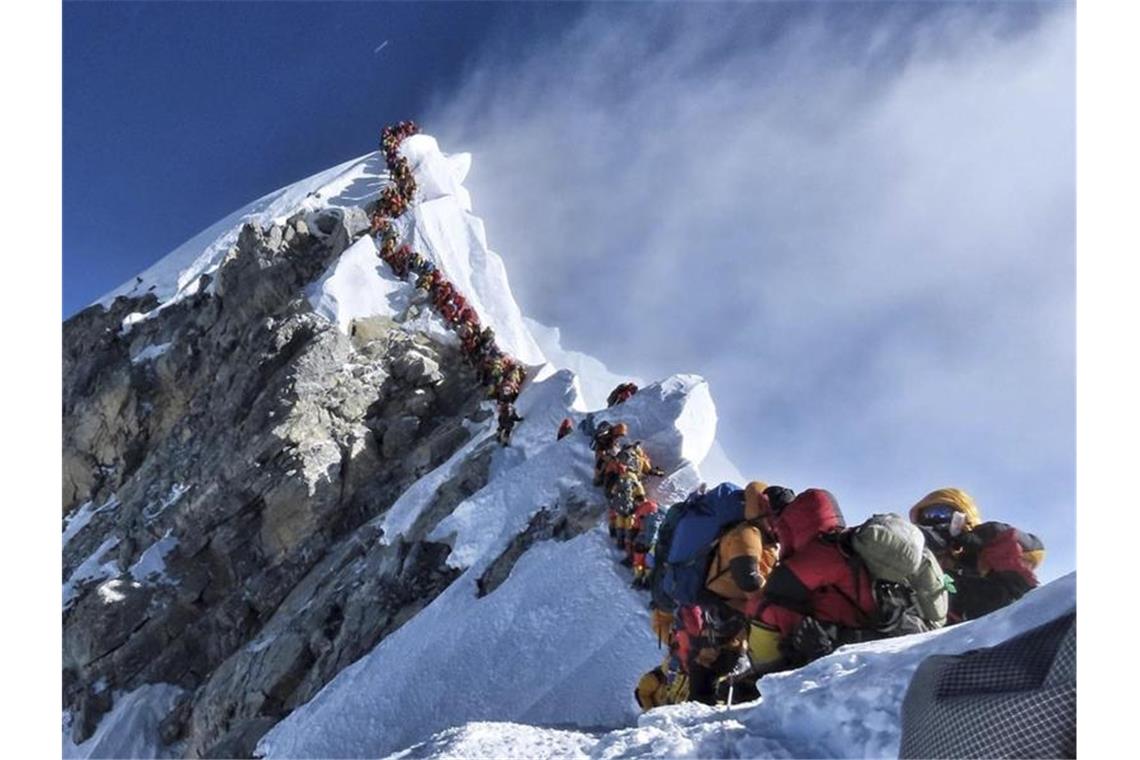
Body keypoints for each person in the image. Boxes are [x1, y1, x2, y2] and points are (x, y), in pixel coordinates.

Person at [909, 488, 1045, 622]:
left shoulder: (984, 553)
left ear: (963, 518)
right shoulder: (917, 562)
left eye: (941, 513)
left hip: (1003, 624)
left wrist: (996, 535)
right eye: (926, 516)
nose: (933, 520)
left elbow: (1032, 554)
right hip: (937, 634)